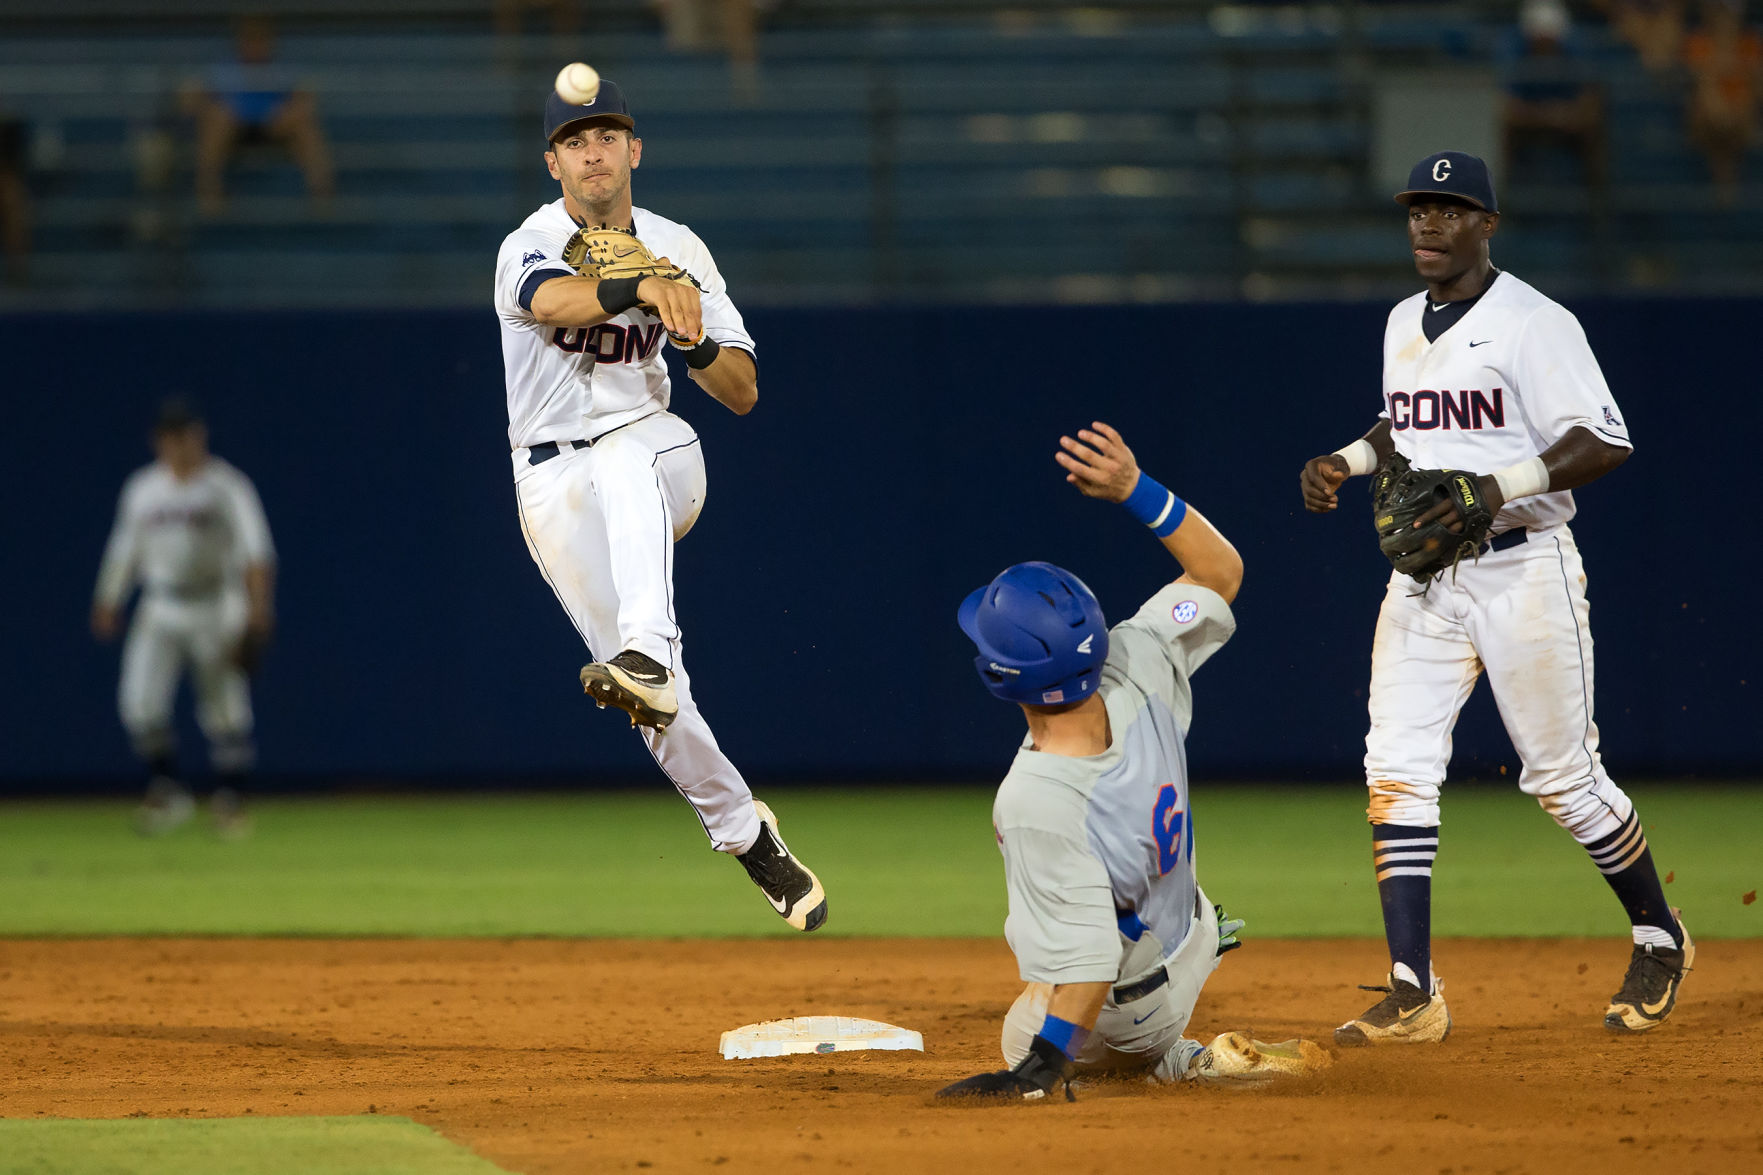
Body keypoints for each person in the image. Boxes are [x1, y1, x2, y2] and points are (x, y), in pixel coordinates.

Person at [1298, 151, 1693, 1043]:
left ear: (1487, 224)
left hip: (1523, 567)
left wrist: (1495, 486)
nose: (1427, 224)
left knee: (1562, 779)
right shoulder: (1404, 318)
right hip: (1424, 579)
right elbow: (1404, 419)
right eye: (1416, 209)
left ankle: (1658, 933)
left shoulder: (1534, 322)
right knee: (1393, 768)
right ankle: (1412, 988)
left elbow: (1604, 439)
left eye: (1449, 209)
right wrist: (1348, 459)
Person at [492, 79, 827, 931]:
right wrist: (637, 290)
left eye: (608, 134)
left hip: (659, 451)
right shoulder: (530, 240)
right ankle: (748, 834)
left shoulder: (681, 246)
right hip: (551, 483)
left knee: (624, 456)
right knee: (648, 698)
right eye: (575, 140)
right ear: (553, 162)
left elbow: (741, 390)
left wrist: (695, 337)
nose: (593, 151)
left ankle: (647, 648)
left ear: (635, 150)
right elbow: (550, 300)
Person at [937, 423, 1328, 1102]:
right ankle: (1171, 1045)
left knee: (1024, 1022)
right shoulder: (1138, 654)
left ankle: (1171, 1056)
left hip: (1127, 1007)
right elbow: (1219, 572)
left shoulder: (1036, 797)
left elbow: (1087, 962)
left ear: (1003, 677)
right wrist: (1134, 488)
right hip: (1192, 932)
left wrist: (1035, 1071)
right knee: (1106, 927)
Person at [92, 398, 276, 839]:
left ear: (200, 436)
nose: (181, 444)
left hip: (216, 602)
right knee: (138, 702)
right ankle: (168, 790)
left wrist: (258, 610)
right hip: (159, 604)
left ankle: (231, 800)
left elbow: (256, 554)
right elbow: (124, 550)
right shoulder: (143, 488)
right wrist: (109, 598)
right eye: (172, 435)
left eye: (188, 434)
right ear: (159, 441)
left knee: (225, 709)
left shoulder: (227, 486)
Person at [184, 15, 335, 216]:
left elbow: (307, 97)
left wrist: (292, 107)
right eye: (250, 41)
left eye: (261, 41)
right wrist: (212, 107)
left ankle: (323, 196)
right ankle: (209, 195)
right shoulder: (222, 72)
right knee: (216, 121)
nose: (255, 47)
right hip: (233, 128)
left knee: (303, 123)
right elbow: (189, 99)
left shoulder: (282, 71)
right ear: (240, 43)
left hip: (272, 127)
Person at [1684, 0, 1762, 203]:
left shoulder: (1750, 44)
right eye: (1719, 14)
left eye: (1728, 14)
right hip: (1708, 117)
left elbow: (1758, 88)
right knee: (1708, 97)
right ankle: (1723, 177)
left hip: (1740, 115)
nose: (1724, 20)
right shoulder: (1700, 42)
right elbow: (1700, 84)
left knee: (1742, 103)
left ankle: (1726, 178)